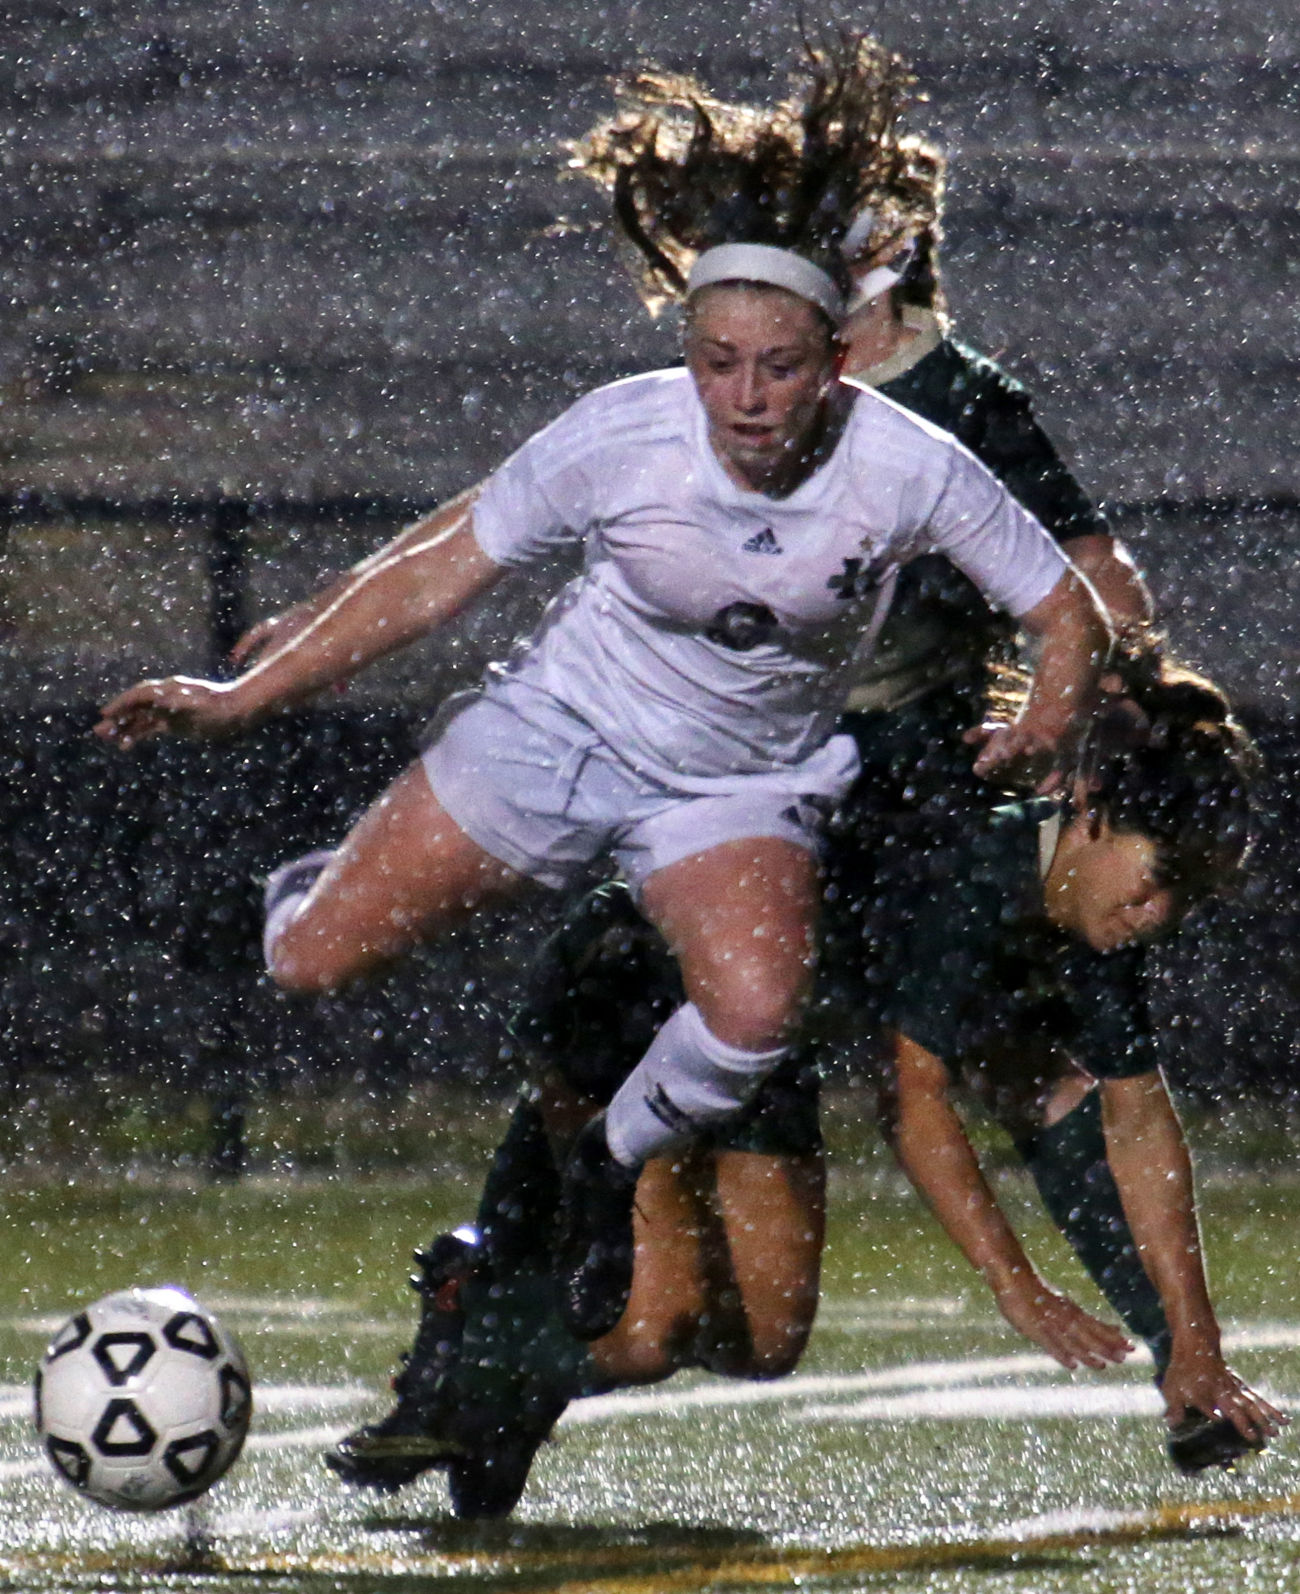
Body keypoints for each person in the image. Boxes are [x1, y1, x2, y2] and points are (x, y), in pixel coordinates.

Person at [95, 26, 1107, 1421]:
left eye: (781, 367)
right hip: (561, 732)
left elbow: (1068, 606)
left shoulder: (910, 463)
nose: (748, 399)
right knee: (317, 964)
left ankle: (603, 1163)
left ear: (837, 357)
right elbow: (436, 574)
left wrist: (1049, 718)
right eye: (721, 361)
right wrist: (241, 694)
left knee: (751, 1023)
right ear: (689, 350)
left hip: (736, 788)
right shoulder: (621, 433)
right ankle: (293, 905)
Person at [318, 38, 1272, 1513]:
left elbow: (1095, 584)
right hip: (732, 823)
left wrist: (1106, 699)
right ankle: (483, 1331)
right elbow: (522, 512)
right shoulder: (732, 396)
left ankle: (509, 1328)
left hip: (863, 832)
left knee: (760, 1321)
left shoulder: (946, 415)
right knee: (631, 1058)